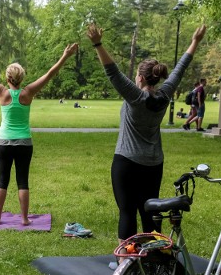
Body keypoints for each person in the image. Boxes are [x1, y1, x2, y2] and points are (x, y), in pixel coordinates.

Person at [86, 22, 206, 243]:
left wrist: (98, 43)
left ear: (140, 78)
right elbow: (179, 69)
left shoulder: (135, 96)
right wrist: (195, 42)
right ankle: (152, 261)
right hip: (153, 164)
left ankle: (126, 263)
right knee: (150, 211)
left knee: (127, 212)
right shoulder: (164, 95)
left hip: (127, 162)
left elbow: (112, 72)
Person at [0, 42, 78, 226]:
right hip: (24, 142)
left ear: (7, 78)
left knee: (2, 180)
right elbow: (50, 74)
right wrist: (65, 55)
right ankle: (24, 219)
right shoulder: (28, 92)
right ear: (22, 78)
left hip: (4, 142)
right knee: (22, 181)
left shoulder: (2, 92)